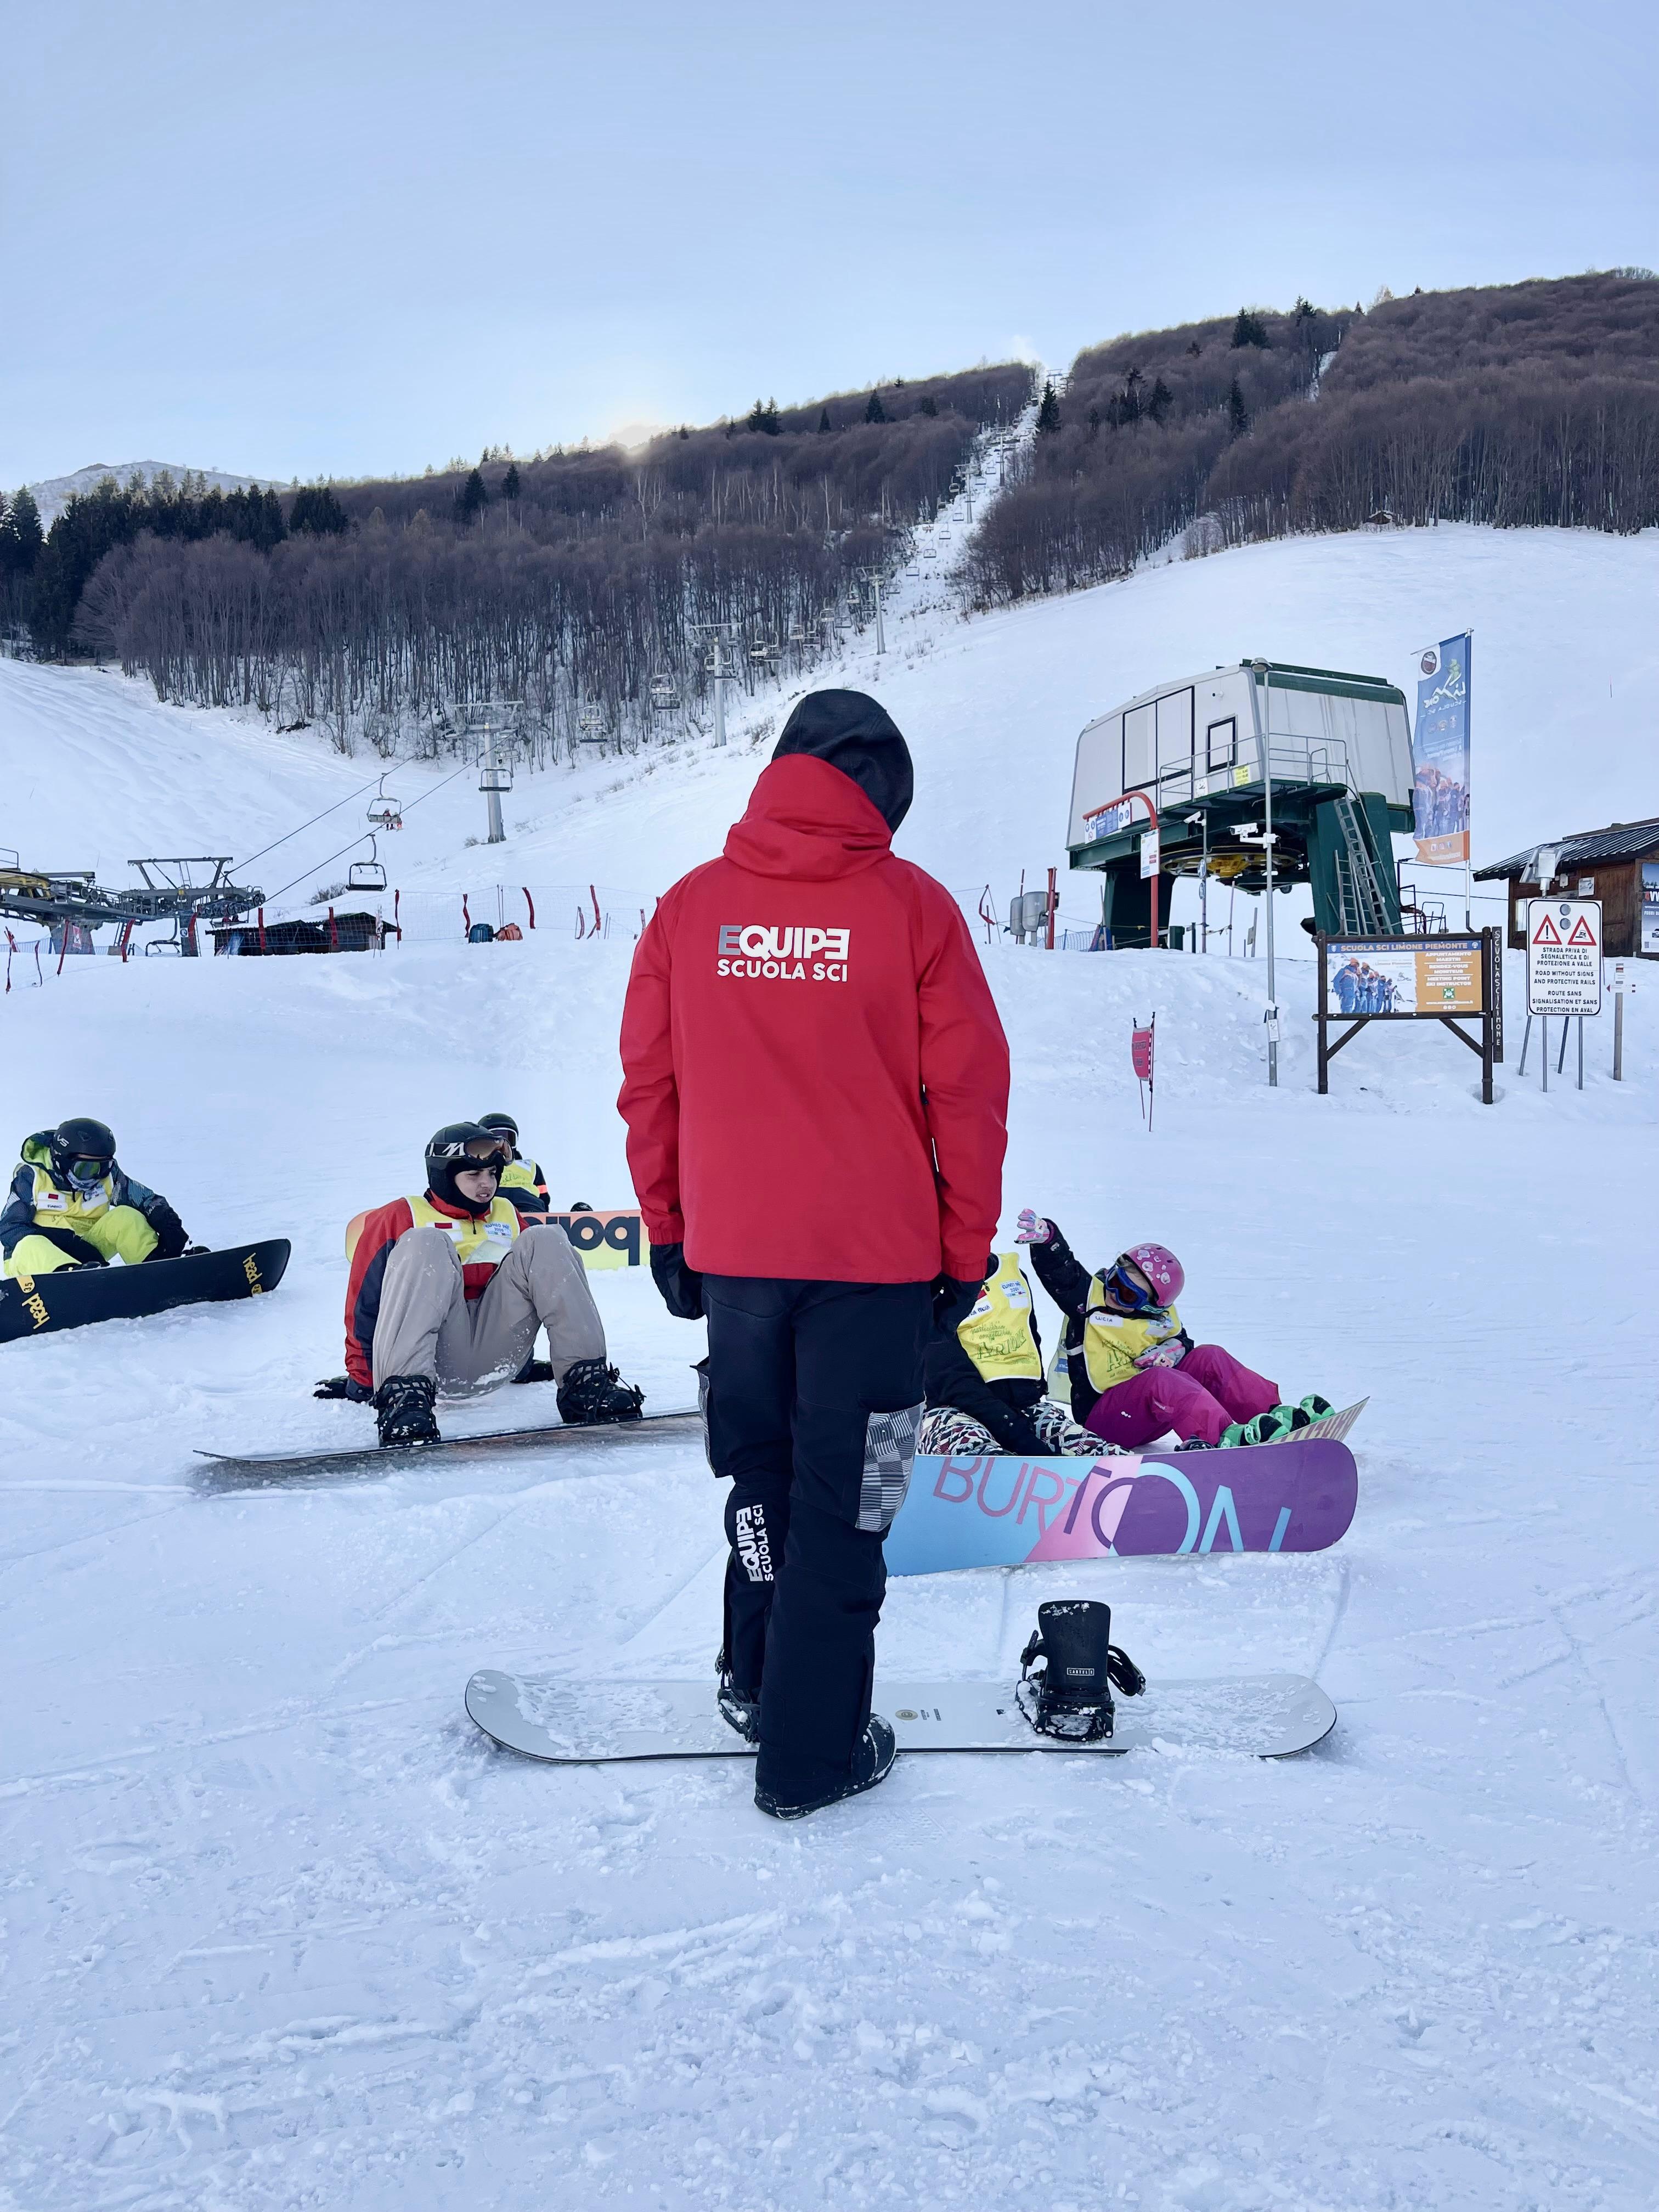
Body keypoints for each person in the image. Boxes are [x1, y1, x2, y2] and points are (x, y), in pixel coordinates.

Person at [619, 689, 1009, 1820]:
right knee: (862, 1503)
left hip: (739, 1269)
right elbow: (970, 1097)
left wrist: (671, 1228)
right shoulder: (914, 910)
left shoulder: (691, 911)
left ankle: (753, 1677)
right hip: (878, 1277)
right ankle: (810, 1753)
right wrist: (963, 1252)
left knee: (761, 1473)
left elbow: (652, 1086)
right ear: (885, 791)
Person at [315, 1122, 645, 1448]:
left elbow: (534, 1288)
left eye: (492, 1173)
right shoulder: (400, 1216)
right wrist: (362, 1379)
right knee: (426, 1242)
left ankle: (586, 1386)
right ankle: (405, 1401)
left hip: (499, 1356)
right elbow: (364, 1301)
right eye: (474, 1175)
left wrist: (526, 1366)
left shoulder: (506, 1212)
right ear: (445, 1174)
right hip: (430, 1362)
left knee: (546, 1238)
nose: (486, 1184)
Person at [1015, 1211, 1329, 1449]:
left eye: (1127, 1294)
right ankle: (1223, 1439)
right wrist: (1048, 1241)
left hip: (1155, 1410)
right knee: (1161, 1380)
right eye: (1113, 1279)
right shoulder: (1087, 1300)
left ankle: (1277, 1419)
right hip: (1106, 1418)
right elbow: (1063, 1272)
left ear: (1152, 1306)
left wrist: (1171, 1351)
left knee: (1209, 1357)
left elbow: (1183, 1346)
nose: (1113, 1292)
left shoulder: (1160, 1321)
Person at [919, 1250, 1110, 1460]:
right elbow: (951, 1379)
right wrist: (1028, 1444)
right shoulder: (925, 1287)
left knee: (1094, 1451)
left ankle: (1129, 1478)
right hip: (949, 1412)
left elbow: (1029, 1338)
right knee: (983, 1458)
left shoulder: (1011, 1275)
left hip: (1022, 1407)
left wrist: (1029, 1399)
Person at [2, 1117, 194, 1278]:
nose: (96, 1176)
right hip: (33, 1260)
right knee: (29, 1244)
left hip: (87, 1252)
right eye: (86, 1169)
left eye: (104, 1167)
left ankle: (156, 1267)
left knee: (126, 1216)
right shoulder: (32, 1178)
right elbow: (9, 1228)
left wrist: (169, 1224)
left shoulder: (106, 1178)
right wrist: (58, 1240)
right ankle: (67, 1279)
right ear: (63, 1162)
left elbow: (146, 1200)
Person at [477, 1111, 550, 1217]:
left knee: (533, 1205)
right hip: (494, 1200)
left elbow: (543, 1196)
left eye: (509, 1138)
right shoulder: (479, 1163)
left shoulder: (529, 1166)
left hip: (528, 1202)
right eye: (496, 1139)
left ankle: (537, 1220)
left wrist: (545, 1214)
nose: (503, 1144)